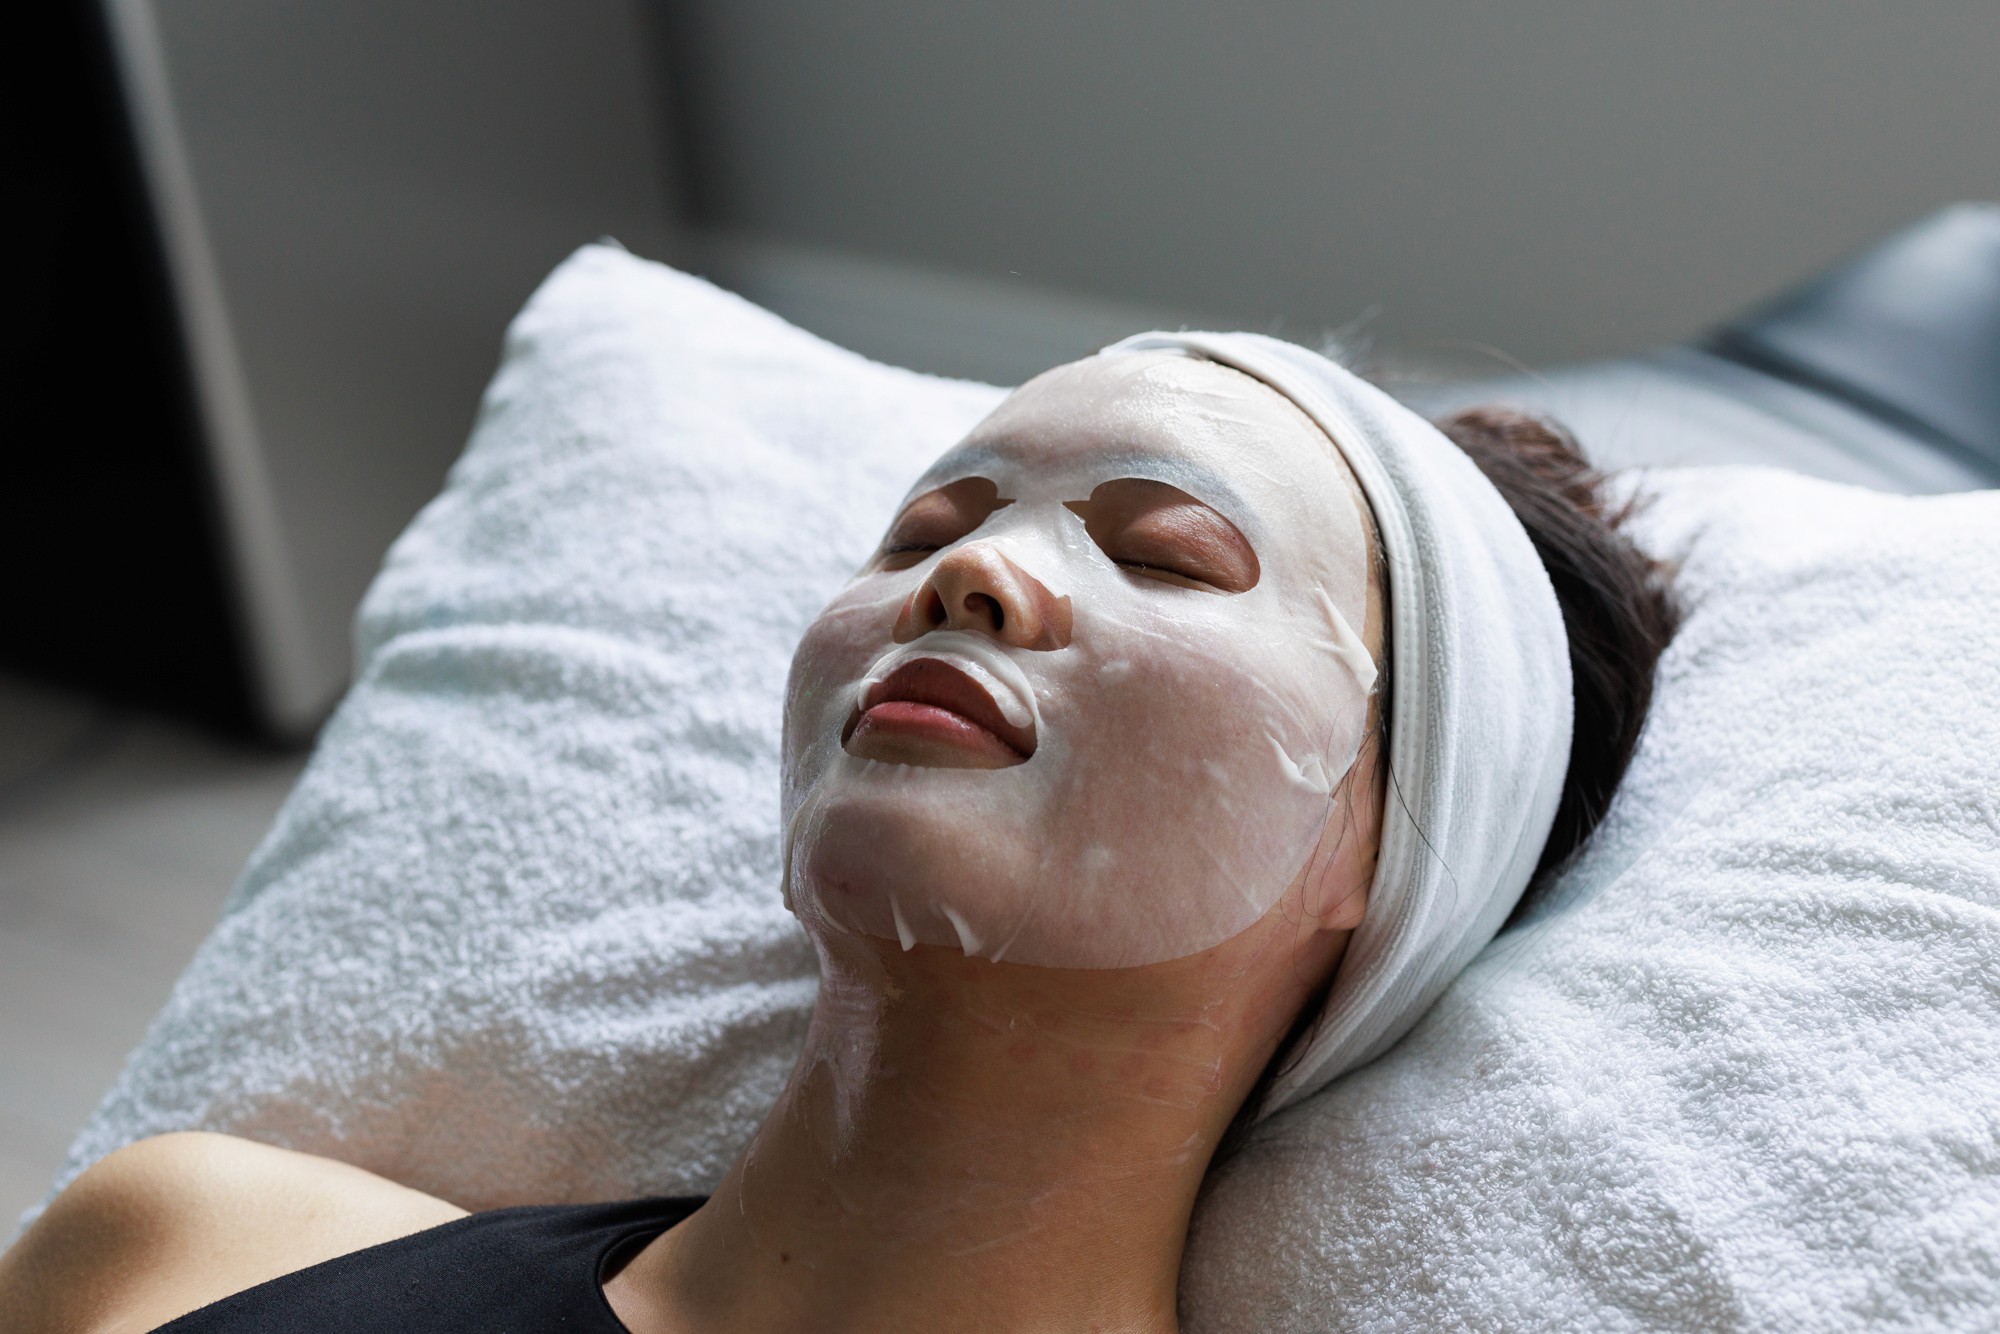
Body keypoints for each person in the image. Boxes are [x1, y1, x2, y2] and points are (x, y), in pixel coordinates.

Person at [0, 334, 1677, 1333]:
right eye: (924, 531)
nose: (963, 577)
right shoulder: (180, 1247)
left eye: (1168, 553)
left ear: (1388, 855)